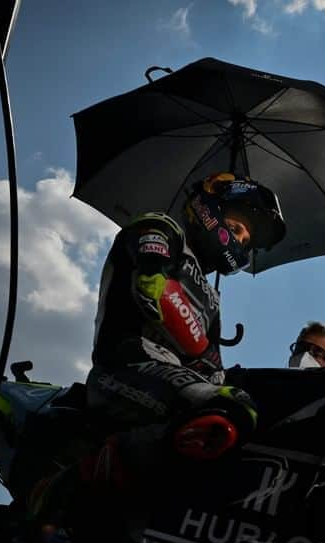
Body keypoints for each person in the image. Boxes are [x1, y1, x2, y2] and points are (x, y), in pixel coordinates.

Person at [85, 171, 287, 473]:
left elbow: (212, 367)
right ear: (212, 206)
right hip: (124, 367)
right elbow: (152, 268)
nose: (241, 238)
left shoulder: (212, 300)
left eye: (248, 239)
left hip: (170, 379)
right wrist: (153, 269)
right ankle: (87, 474)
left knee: (263, 410)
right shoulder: (163, 227)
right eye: (238, 222)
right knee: (232, 408)